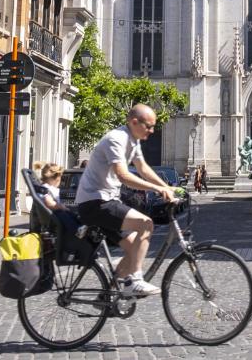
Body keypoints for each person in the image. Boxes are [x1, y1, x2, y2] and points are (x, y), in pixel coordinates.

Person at [74, 104, 176, 298]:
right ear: (134, 122)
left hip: (105, 201)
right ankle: (136, 280)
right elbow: (123, 175)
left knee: (133, 249)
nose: (152, 131)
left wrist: (167, 187)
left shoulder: (133, 140)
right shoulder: (116, 139)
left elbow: (143, 169)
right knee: (146, 224)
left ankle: (107, 294)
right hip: (96, 202)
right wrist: (157, 189)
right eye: (149, 126)